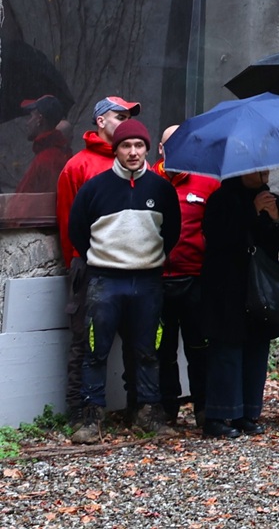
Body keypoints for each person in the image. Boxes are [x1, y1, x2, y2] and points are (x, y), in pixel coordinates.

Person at [65, 118, 181, 443]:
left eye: (139, 146)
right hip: (104, 281)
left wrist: (146, 259)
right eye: (126, 146)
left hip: (147, 283)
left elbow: (170, 232)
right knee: (94, 350)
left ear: (147, 148)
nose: (133, 152)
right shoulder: (95, 187)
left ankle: (147, 413)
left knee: (148, 350)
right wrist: (106, 259)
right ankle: (91, 417)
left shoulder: (161, 189)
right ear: (115, 149)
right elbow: (77, 231)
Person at [56, 96, 138, 426]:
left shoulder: (135, 164)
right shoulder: (78, 166)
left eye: (130, 116)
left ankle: (139, 408)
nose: (126, 121)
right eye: (120, 116)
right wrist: (78, 264)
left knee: (138, 339)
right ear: (101, 121)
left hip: (134, 266)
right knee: (87, 341)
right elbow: (67, 223)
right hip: (89, 266)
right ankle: (82, 413)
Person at [201, 169, 279, 438]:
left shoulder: (274, 200)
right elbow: (217, 237)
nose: (262, 174)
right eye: (256, 170)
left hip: (261, 288)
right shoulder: (221, 199)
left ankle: (247, 412)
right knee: (227, 351)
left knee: (257, 349)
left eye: (265, 169)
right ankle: (220, 414)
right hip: (227, 287)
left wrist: (277, 218)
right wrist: (252, 212)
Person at [157, 124, 217, 429]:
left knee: (199, 347)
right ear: (161, 150)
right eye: (172, 145)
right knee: (162, 350)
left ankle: (204, 408)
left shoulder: (207, 184)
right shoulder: (147, 182)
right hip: (156, 281)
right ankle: (166, 409)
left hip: (195, 279)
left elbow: (219, 229)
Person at [17, 95, 70, 197]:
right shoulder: (53, 154)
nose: (27, 123)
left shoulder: (47, 159)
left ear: (39, 119)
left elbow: (30, 203)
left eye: (31, 116)